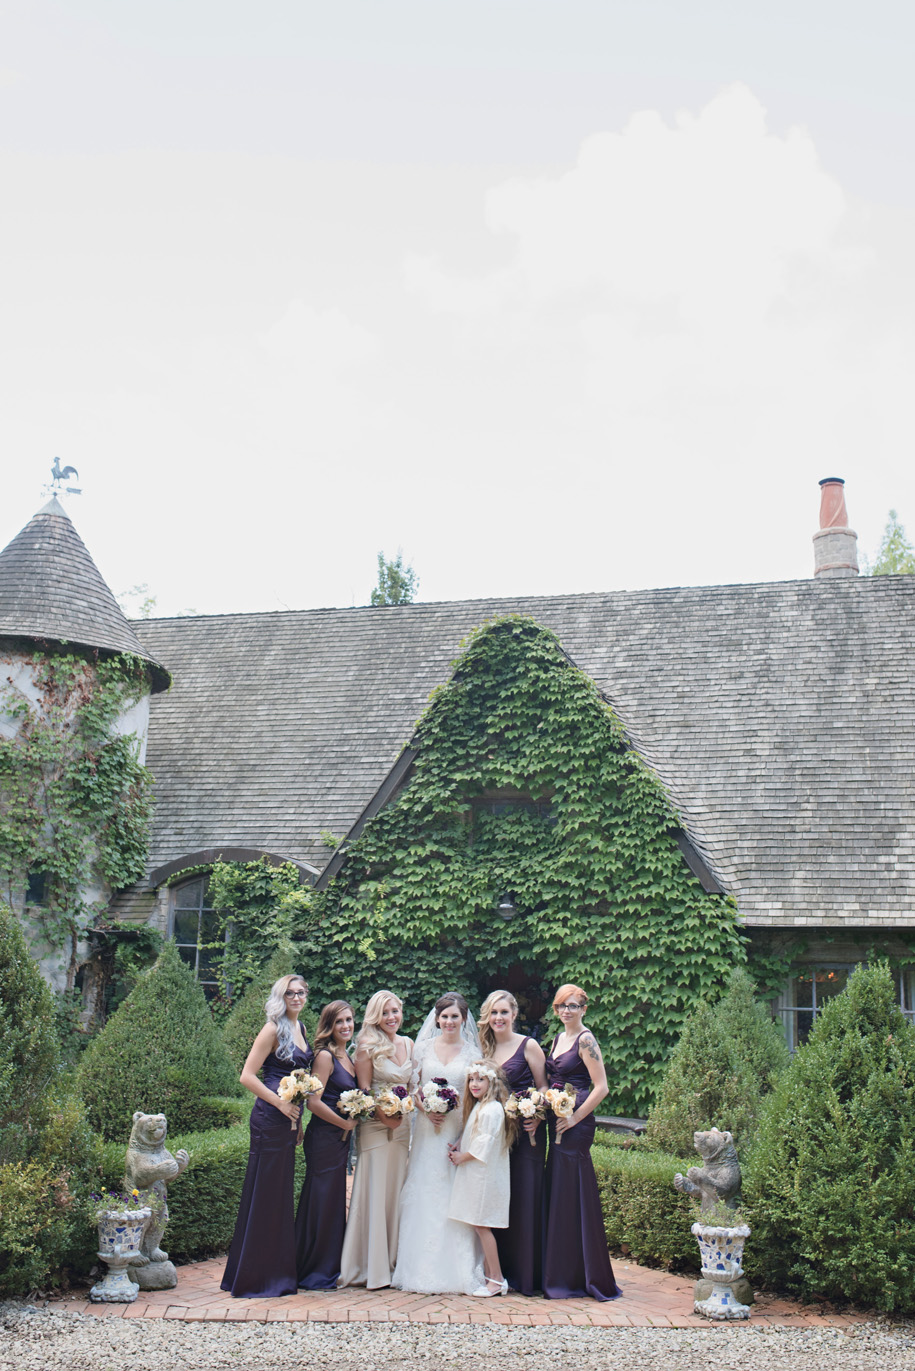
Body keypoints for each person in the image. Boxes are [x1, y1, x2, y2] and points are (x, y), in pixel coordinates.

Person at [221, 973, 313, 1298]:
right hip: (268, 1119)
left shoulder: (301, 1029)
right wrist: (280, 1104)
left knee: (279, 1196)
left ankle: (276, 1271)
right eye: (291, 993)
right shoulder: (272, 1028)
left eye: (301, 992)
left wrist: (298, 1118)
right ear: (281, 996)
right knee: (265, 1194)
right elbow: (246, 1076)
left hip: (288, 1121)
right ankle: (255, 1278)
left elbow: (300, 1081)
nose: (297, 998)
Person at [391, 992, 486, 1295]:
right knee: (423, 1191)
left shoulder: (473, 1053)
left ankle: (457, 1270)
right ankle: (416, 1267)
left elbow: (474, 1097)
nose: (448, 1022)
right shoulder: (421, 1048)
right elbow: (413, 1088)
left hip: (454, 1131)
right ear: (436, 1018)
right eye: (443, 1016)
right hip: (426, 1132)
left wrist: (463, 1136)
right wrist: (425, 1109)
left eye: (454, 1016)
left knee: (453, 1194)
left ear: (463, 1019)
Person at [542, 984, 621, 1301]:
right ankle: (562, 1271)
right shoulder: (559, 1038)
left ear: (584, 1009)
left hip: (576, 1124)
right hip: (556, 1119)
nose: (566, 1011)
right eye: (561, 1006)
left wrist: (574, 1118)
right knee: (560, 1191)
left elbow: (601, 1087)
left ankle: (583, 1276)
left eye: (573, 1006)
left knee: (572, 1191)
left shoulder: (586, 1039)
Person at [339, 990, 414, 1288]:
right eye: (385, 1012)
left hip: (403, 1126)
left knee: (396, 1191)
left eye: (395, 1011)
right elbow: (365, 1090)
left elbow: (412, 1085)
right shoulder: (366, 1046)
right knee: (374, 1189)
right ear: (375, 1016)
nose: (391, 1017)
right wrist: (384, 1117)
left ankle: (393, 1263)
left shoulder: (408, 1043)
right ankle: (369, 1267)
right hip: (375, 1126)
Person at [478, 989, 547, 1295]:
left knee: (524, 1198)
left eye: (504, 1012)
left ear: (514, 1015)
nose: (498, 1018)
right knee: (497, 1200)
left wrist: (538, 1114)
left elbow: (544, 1087)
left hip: (527, 1133)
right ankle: (498, 1270)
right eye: (493, 1013)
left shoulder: (528, 1046)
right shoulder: (484, 1049)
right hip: (496, 1138)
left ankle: (527, 1275)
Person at [294, 999, 357, 1289]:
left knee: (333, 1201)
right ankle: (313, 1269)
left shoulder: (349, 1056)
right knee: (321, 1199)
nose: (346, 1026)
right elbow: (313, 1102)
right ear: (329, 1026)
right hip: (324, 1138)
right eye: (339, 1021)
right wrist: (344, 1123)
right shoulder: (325, 1057)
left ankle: (331, 1264)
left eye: (349, 1020)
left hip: (341, 1140)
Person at [447, 1060, 517, 1296]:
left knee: (482, 1225)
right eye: (471, 1079)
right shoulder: (479, 1106)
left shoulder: (493, 1109)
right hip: (476, 1174)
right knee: (479, 1225)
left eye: (480, 1079)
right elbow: (474, 1134)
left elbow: (484, 1144)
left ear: (492, 1082)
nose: (474, 1084)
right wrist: (459, 1143)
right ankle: (489, 1275)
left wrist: (461, 1157)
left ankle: (497, 1279)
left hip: (484, 1176)